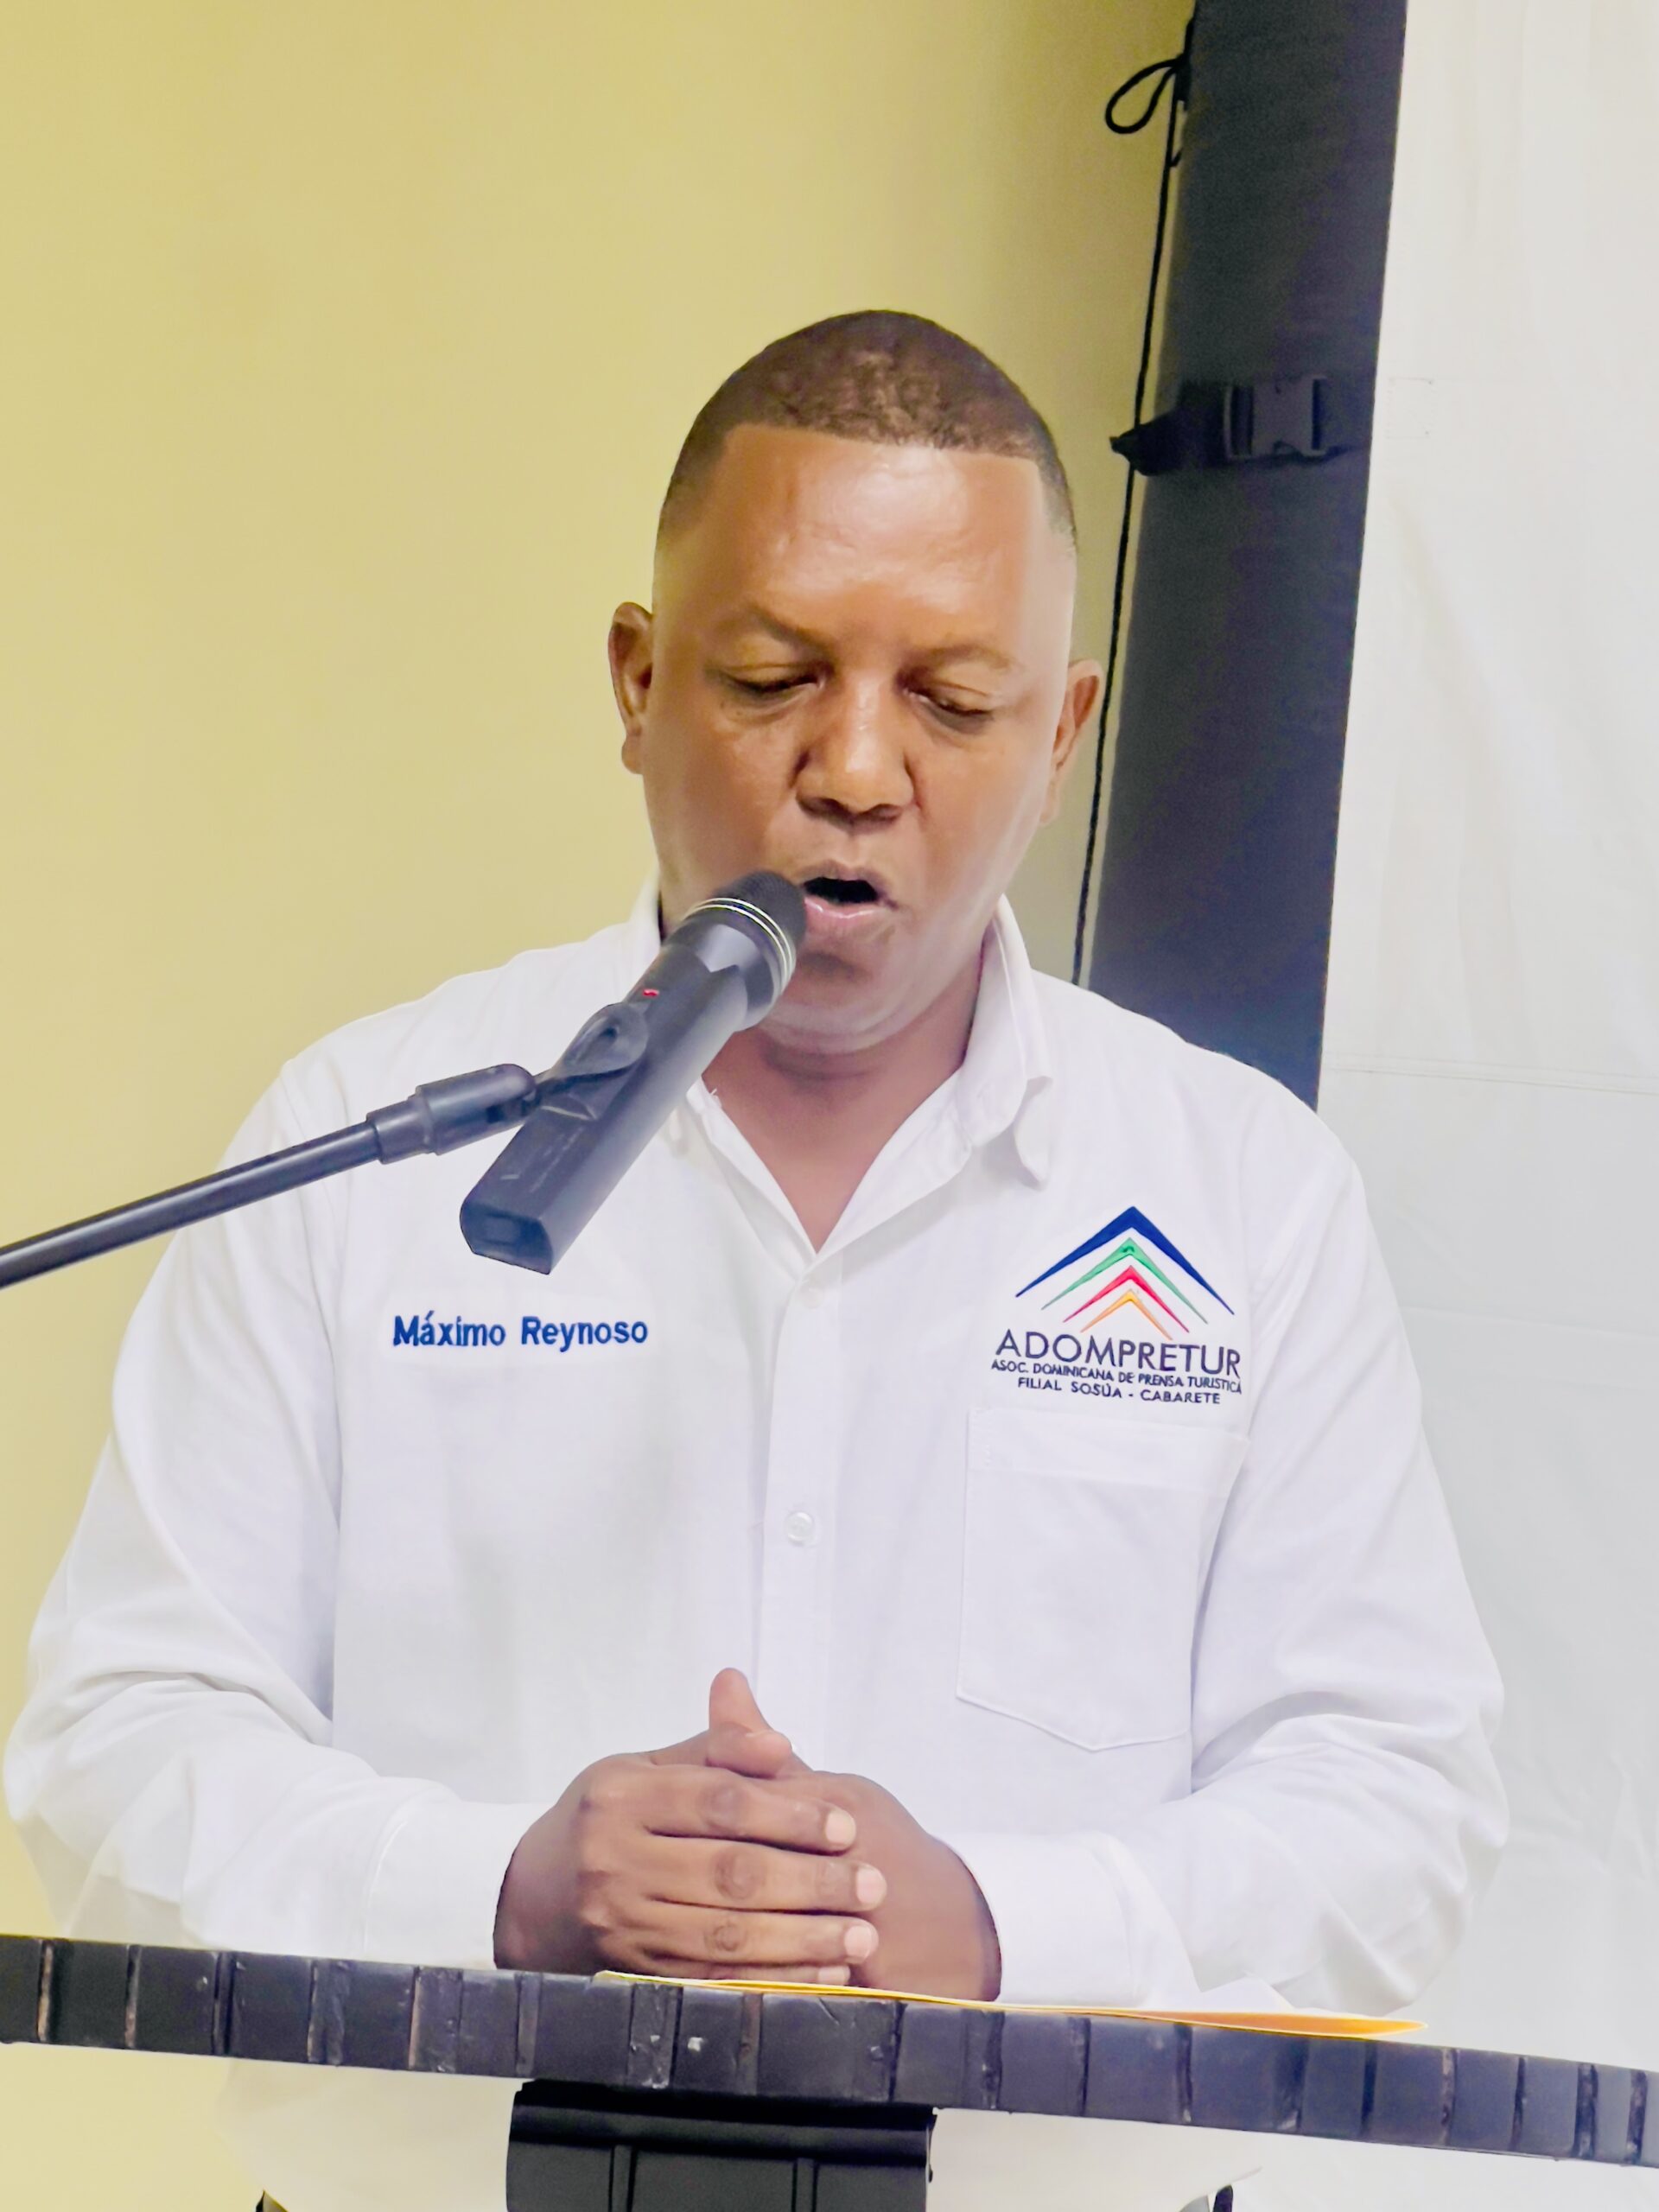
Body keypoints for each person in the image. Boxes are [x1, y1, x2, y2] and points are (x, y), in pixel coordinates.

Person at [5, 311, 1504, 2211]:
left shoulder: (1243, 1193)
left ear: (1061, 735)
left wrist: (996, 1921)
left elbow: (1393, 1805)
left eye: (953, 701)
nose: (855, 770)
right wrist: (502, 1891)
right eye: (775, 676)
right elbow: (117, 1747)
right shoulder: (362, 1142)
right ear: (639, 682)